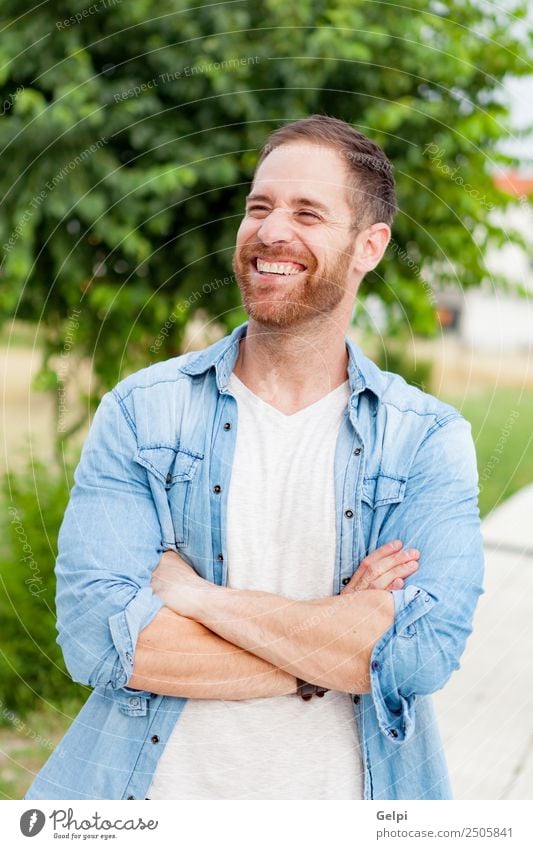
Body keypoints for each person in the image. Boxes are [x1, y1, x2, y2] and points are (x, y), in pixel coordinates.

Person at [25, 114, 484, 801]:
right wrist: (334, 641)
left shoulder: (423, 437)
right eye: (259, 206)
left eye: (306, 212)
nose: (271, 230)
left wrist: (196, 596)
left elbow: (417, 655)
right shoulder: (142, 412)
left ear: (369, 245)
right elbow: (99, 640)